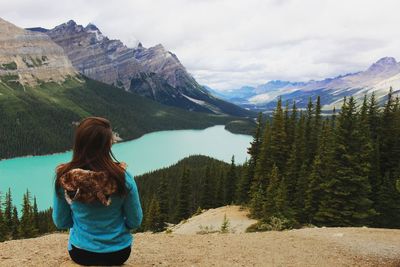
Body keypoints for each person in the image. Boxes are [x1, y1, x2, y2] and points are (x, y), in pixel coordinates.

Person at [52, 117, 143, 266]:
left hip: (80, 253)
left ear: (79, 143)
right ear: (108, 144)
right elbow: (135, 220)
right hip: (119, 253)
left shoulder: (65, 178)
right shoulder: (123, 177)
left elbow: (61, 222)